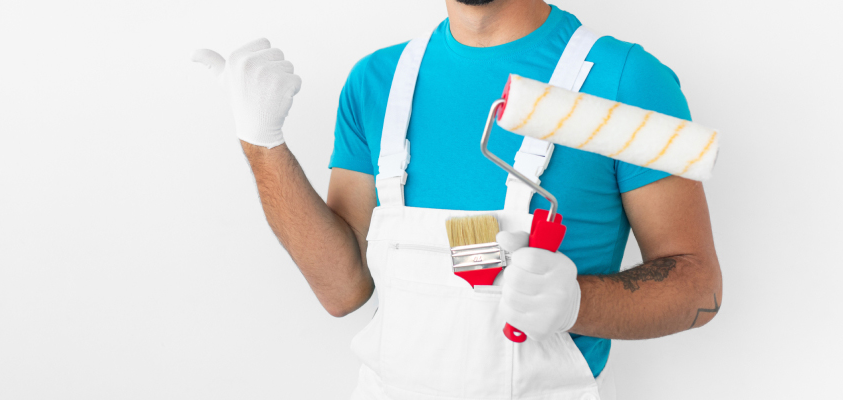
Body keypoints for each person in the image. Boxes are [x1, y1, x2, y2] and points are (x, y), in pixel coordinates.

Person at [193, 0, 722, 398]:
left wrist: (578, 302)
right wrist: (262, 142)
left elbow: (699, 287)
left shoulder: (625, 80)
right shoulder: (377, 83)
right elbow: (342, 290)